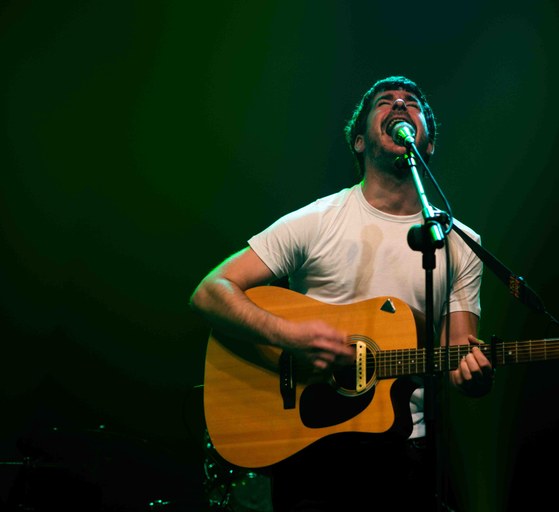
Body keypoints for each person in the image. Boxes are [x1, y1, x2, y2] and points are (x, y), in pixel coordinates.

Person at [190, 75, 494, 511]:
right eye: (385, 102)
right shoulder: (317, 221)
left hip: (405, 447)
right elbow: (210, 291)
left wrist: (474, 377)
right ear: (359, 141)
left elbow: (458, 355)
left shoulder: (461, 243)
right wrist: (289, 337)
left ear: (427, 145)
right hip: (310, 447)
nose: (400, 104)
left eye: (411, 102)